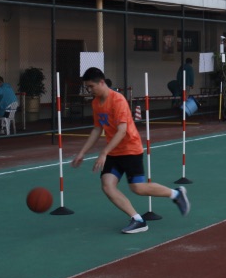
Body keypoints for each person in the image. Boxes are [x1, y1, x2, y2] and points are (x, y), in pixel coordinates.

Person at [70, 67, 189, 234]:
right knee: (107, 185)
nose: (89, 90)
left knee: (138, 188)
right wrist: (82, 153)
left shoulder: (117, 100)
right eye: (87, 87)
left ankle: (176, 194)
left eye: (91, 86)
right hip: (114, 152)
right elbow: (97, 129)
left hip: (130, 149)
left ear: (101, 82)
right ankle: (138, 220)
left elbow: (122, 131)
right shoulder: (96, 103)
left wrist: (103, 152)